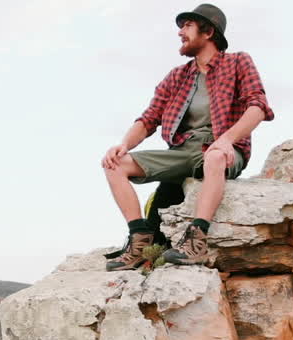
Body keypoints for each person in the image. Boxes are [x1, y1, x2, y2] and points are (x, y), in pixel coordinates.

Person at [101, 4, 274, 270]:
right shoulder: (177, 76)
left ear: (208, 32)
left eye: (187, 26)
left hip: (222, 148)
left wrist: (227, 139)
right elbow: (148, 119)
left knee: (215, 156)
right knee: (114, 164)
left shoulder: (238, 62)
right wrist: (123, 145)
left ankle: (197, 240)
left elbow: (258, 107)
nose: (180, 32)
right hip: (183, 150)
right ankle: (139, 240)